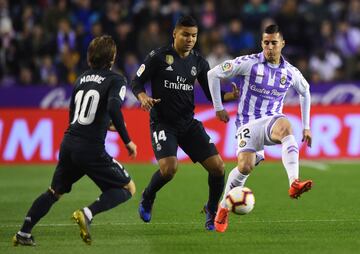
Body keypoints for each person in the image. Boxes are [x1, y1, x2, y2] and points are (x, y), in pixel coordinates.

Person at [12, 35, 137, 246]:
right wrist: (127, 141)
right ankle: (87, 213)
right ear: (113, 58)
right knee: (128, 188)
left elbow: (75, 116)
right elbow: (114, 108)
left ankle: (24, 233)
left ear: (90, 57)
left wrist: (104, 125)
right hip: (90, 148)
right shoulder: (117, 80)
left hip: (69, 143)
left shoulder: (81, 79)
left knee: (54, 192)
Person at [131, 15, 239, 231]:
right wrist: (143, 97)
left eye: (194, 36)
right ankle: (148, 196)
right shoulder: (159, 57)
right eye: (186, 35)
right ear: (175, 34)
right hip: (163, 123)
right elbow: (136, 81)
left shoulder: (199, 62)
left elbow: (210, 93)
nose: (190, 39)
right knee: (170, 169)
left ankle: (211, 209)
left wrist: (228, 96)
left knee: (218, 168)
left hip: (188, 124)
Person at [207, 24, 313, 233]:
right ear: (261, 44)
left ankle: (294, 182)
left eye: (274, 43)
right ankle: (222, 209)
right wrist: (218, 108)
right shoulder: (249, 64)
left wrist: (307, 127)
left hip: (272, 121)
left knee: (285, 126)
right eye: (266, 43)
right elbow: (213, 74)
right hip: (247, 124)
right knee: (245, 167)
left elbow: (306, 91)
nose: (270, 47)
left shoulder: (290, 72)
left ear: (282, 44)